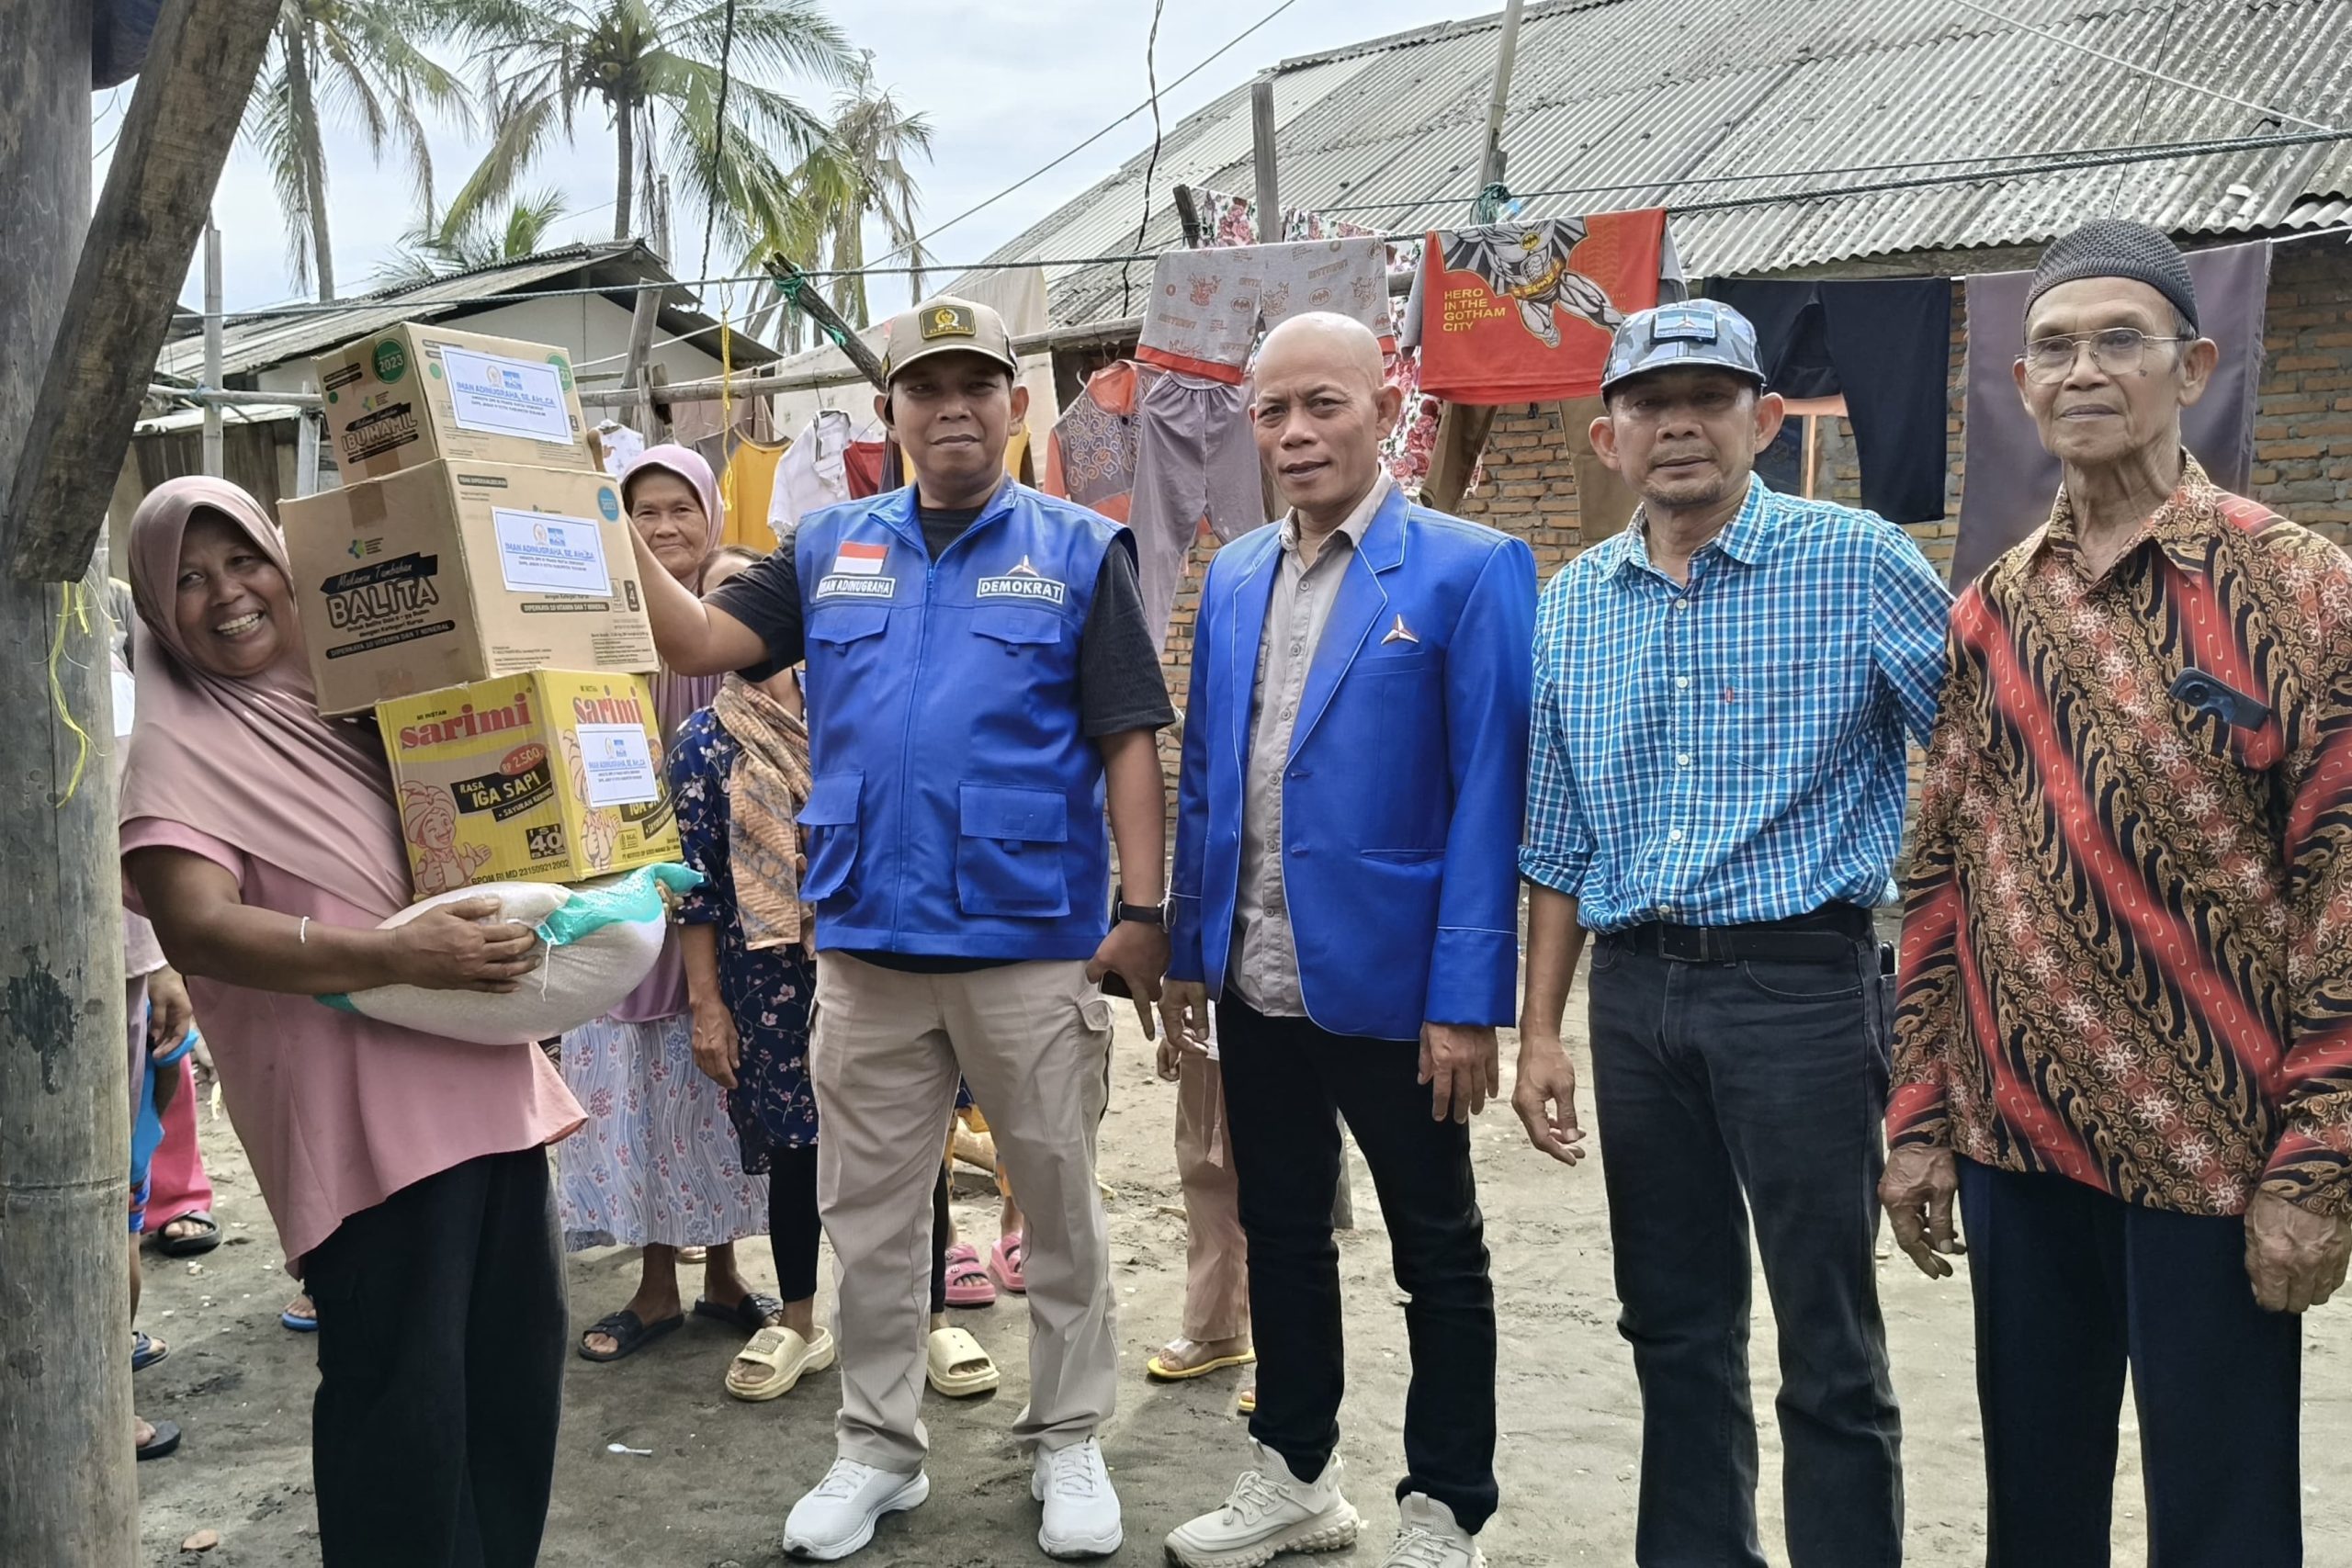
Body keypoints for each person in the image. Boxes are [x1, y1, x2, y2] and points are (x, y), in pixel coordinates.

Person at [628, 295, 1174, 1562]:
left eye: (977, 385)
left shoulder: (1080, 550)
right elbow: (702, 637)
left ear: (1015, 405)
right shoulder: (827, 546)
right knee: (870, 1217)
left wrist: (1142, 912)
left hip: (1027, 943)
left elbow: (1128, 741)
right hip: (866, 949)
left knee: (1058, 1202)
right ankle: (876, 1448)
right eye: (926, 389)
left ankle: (1070, 1435)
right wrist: (615, 530)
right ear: (892, 415)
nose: (954, 409)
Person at [1880, 219, 2352, 1568]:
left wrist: (2319, 1161)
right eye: (2054, 346)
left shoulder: (2299, 588)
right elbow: (1941, 868)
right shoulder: (1990, 610)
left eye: (2119, 340)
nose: (2084, 370)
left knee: (2223, 1514)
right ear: (2020, 383)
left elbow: (2345, 890)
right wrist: (1917, 1112)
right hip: (2021, 1141)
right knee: (2039, 1506)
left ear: (2193, 364)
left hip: (2218, 1149)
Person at [1512, 299, 1949, 1568]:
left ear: (1764, 418)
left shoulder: (1854, 560)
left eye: (1709, 398)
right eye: (1652, 403)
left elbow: (1974, 768)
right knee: (1675, 1325)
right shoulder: (1573, 605)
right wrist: (1542, 1030)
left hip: (1803, 993)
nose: (1681, 425)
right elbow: (1556, 840)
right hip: (1639, 999)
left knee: (1829, 1337)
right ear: (1610, 435)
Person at [119, 476, 582, 1566]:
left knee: (510, 1380)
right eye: (187, 579)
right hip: (358, 1123)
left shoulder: (354, 698)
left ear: (288, 568)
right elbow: (199, 929)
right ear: (152, 605)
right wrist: (394, 955)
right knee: (403, 1408)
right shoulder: (176, 749)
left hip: (479, 1080)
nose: (226, 595)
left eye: (244, 562)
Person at [1160, 311, 1536, 1568]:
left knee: (1438, 1245)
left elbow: (1491, 789)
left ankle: (1445, 1504)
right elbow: (1211, 777)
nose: (1297, 432)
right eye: (1273, 412)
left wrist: (1467, 994)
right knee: (1279, 1227)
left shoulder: (1468, 568)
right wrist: (1186, 958)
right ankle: (1297, 1469)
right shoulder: (1230, 577)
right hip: (1256, 977)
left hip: (1399, 987)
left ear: (1389, 406)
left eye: (1323, 404)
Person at [563, 446, 774, 1364]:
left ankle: (725, 1275)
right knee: (649, 1085)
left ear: (711, 514)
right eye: (639, 511)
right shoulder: (597, 625)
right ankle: (654, 1285)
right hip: (624, 886)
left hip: (727, 889)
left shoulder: (737, 619)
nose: (661, 527)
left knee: (717, 1080)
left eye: (678, 509)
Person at [1145, 1001, 1255, 1413]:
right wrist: (1170, 1024)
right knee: (1204, 1170)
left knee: (1288, 1187)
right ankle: (1217, 1326)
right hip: (1206, 1016)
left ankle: (1294, 1363)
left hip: (1297, 1011)